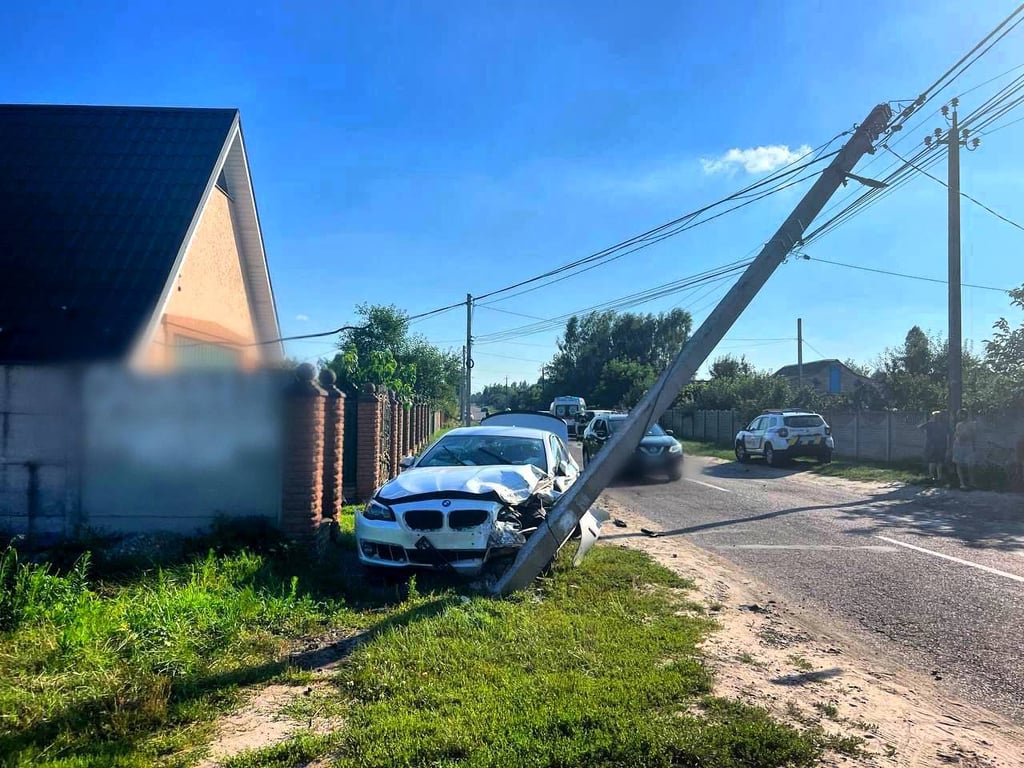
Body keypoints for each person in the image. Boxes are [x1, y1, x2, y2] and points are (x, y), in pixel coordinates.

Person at [919, 410, 948, 484]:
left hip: (932, 444)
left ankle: (932, 476)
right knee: (938, 461)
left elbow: (920, 427)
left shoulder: (930, 424)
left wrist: (926, 434)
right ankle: (939, 477)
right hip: (940, 444)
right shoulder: (943, 424)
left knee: (933, 461)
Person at [952, 408, 976, 490]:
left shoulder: (971, 424)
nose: (958, 416)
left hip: (968, 445)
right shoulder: (958, 424)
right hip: (958, 445)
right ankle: (962, 483)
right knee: (958, 464)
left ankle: (971, 482)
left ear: (964, 415)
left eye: (960, 414)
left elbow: (973, 435)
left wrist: (973, 445)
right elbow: (956, 435)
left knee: (970, 465)